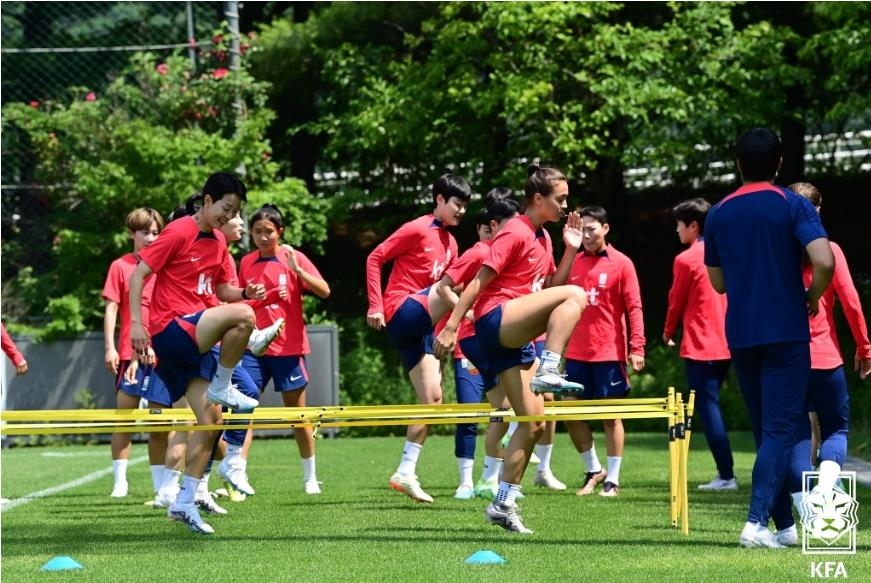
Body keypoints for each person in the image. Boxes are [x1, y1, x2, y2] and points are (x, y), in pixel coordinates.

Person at [434, 162, 587, 534]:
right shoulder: (516, 230)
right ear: (538, 199)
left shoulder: (545, 238)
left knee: (533, 422)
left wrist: (570, 250)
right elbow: (477, 282)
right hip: (494, 320)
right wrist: (452, 325)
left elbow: (551, 286)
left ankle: (502, 504)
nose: (566, 207)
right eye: (560, 199)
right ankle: (551, 366)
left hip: (514, 336)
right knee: (577, 295)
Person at [703, 128, 834, 549]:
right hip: (785, 331)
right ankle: (755, 522)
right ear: (779, 163)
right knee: (781, 429)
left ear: (737, 162)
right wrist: (810, 298)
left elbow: (718, 283)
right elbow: (824, 260)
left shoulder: (719, 212)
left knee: (766, 430)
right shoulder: (792, 203)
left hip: (742, 333)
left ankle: (785, 526)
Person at [130, 172, 265, 535]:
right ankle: (224, 381)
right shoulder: (177, 231)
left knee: (213, 421)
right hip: (171, 331)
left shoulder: (219, 242)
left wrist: (246, 291)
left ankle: (185, 501)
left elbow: (223, 289)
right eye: (225, 208)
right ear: (207, 201)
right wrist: (136, 325)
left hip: (196, 339)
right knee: (246, 319)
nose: (229, 216)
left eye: (235, 210)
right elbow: (138, 275)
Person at [366, 174, 472, 503]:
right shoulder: (416, 228)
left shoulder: (453, 244)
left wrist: (447, 328)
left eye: (466, 205)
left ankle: (405, 470)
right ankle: (479, 320)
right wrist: (375, 305)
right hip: (399, 312)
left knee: (433, 399)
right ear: (439, 199)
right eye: (457, 203)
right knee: (453, 291)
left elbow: (445, 294)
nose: (462, 211)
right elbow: (375, 257)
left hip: (421, 327)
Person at [780, 181, 871, 546]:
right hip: (825, 358)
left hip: (785, 360)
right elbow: (851, 302)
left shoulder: (777, 254)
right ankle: (825, 490)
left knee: (797, 434)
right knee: (836, 430)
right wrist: (865, 347)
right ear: (818, 211)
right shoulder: (830, 251)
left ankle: (805, 508)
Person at [229, 204, 331, 496]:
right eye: (258, 231)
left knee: (297, 416)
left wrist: (299, 271)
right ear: (251, 233)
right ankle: (238, 475)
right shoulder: (246, 262)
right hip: (253, 349)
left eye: (269, 232)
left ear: (280, 232)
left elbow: (324, 291)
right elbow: (240, 302)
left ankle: (310, 477)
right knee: (243, 407)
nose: (263, 237)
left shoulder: (292, 257)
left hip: (289, 348)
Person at [553, 206, 645, 498]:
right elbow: (553, 293)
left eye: (592, 229)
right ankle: (594, 469)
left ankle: (613, 480)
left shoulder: (622, 263)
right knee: (568, 410)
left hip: (609, 352)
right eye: (583, 230)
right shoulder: (573, 262)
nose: (588, 235)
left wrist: (637, 347)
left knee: (610, 417)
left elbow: (634, 307)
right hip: (576, 351)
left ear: (605, 228)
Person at [663, 198, 736, 491]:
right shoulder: (727, 250)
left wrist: (668, 331)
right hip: (730, 340)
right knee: (712, 406)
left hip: (701, 344)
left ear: (693, 226)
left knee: (708, 409)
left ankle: (727, 475)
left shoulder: (686, 259)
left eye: (679, 225)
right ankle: (727, 474)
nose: (677, 231)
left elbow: (675, 301)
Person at [102, 207, 175, 499]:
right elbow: (111, 308)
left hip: (162, 354)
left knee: (161, 422)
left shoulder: (166, 266)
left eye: (156, 231)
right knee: (125, 417)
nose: (151, 237)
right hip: (127, 354)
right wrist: (109, 347)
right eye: (145, 231)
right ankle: (120, 482)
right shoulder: (120, 266)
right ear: (132, 233)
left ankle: (161, 487)